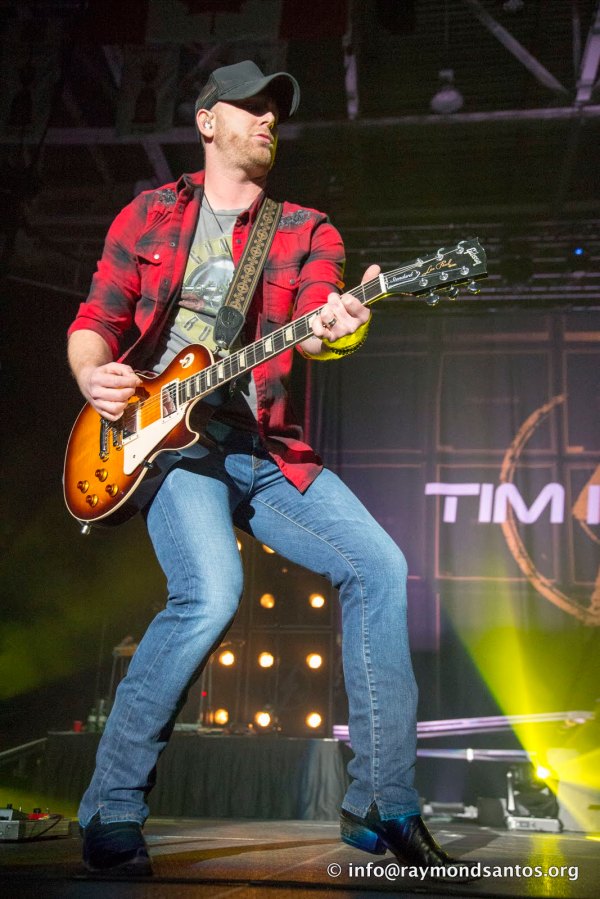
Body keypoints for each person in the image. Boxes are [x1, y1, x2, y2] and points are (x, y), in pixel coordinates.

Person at [68, 60, 473, 879]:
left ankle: (381, 802)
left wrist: (343, 324)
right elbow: (96, 318)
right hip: (168, 446)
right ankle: (112, 807)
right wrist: (89, 375)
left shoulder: (307, 228)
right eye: (250, 106)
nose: (267, 119)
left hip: (264, 448)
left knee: (379, 565)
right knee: (211, 592)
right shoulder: (149, 213)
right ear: (207, 121)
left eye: (275, 110)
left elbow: (321, 323)